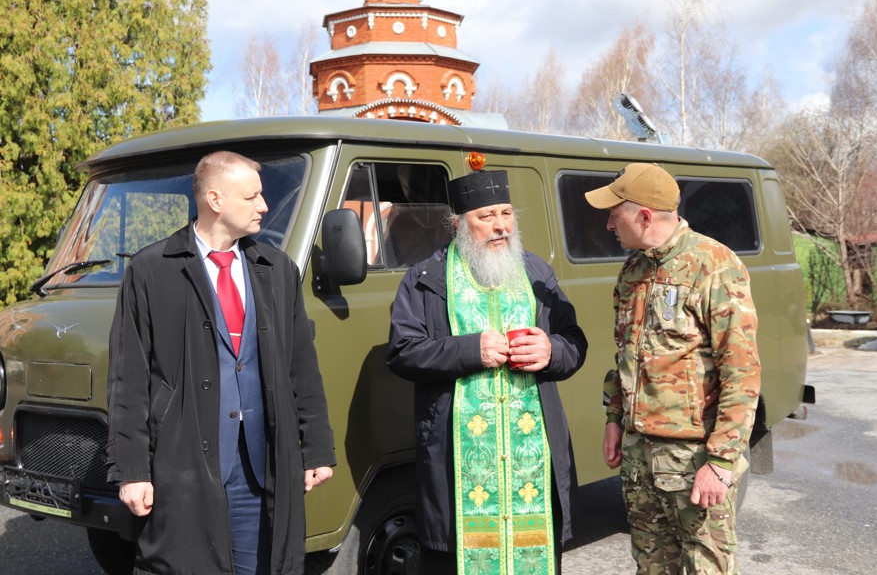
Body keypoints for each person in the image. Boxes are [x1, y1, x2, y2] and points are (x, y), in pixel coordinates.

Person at [106, 151, 336, 574]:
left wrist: (316, 447)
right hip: (183, 470)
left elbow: (302, 366)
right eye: (252, 197)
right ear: (215, 199)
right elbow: (129, 379)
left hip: (261, 469)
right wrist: (131, 470)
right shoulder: (151, 271)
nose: (264, 206)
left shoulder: (277, 269)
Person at [387, 169, 588, 574]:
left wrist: (551, 350)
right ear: (459, 223)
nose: (500, 226)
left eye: (506, 214)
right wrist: (468, 350)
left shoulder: (536, 273)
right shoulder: (426, 279)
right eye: (487, 217)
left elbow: (575, 343)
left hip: (531, 464)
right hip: (457, 465)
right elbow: (403, 352)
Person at [585, 163, 761, 574]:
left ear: (644, 217)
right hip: (639, 456)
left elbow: (742, 371)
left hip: (692, 458)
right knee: (651, 567)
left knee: (706, 567)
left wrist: (720, 463)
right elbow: (625, 356)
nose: (609, 223)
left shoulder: (713, 264)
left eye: (615, 213)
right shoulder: (634, 269)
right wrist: (614, 418)